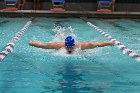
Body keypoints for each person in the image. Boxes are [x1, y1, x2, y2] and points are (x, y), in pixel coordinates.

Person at [29, 36, 114, 54]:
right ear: (65, 45)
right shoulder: (58, 45)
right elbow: (42, 45)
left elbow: (99, 44)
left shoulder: (81, 46)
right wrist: (32, 43)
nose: (69, 49)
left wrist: (110, 43)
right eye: (67, 47)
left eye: (71, 47)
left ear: (74, 45)